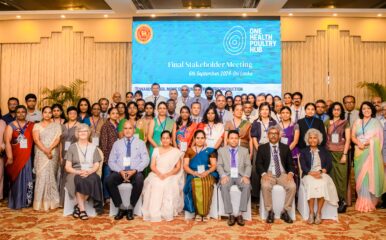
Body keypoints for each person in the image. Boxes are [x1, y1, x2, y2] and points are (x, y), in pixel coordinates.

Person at [107, 121, 150, 220]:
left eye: (130, 128)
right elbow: (111, 161)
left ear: (134, 130)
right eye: (125, 128)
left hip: (135, 172)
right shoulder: (117, 144)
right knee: (109, 180)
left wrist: (135, 170)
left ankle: (131, 207)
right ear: (123, 131)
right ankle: (121, 207)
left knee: (139, 180)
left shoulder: (141, 143)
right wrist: (120, 171)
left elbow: (146, 160)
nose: (127, 130)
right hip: (120, 172)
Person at [256, 126, 296, 224]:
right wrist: (263, 174)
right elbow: (258, 163)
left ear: (279, 135)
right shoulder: (262, 148)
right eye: (271, 133)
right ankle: (270, 211)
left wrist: (290, 173)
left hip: (282, 174)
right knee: (265, 186)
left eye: (275, 133)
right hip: (268, 174)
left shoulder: (285, 148)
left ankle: (285, 211)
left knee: (292, 186)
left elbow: (290, 164)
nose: (273, 135)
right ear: (268, 135)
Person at [142, 130, 184, 222]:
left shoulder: (176, 151)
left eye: (167, 138)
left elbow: (177, 167)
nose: (165, 140)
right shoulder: (156, 150)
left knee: (166, 184)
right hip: (157, 173)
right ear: (161, 139)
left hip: (170, 174)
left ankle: (166, 212)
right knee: (155, 183)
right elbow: (152, 166)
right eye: (163, 138)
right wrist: (159, 174)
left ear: (171, 140)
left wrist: (167, 174)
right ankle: (155, 212)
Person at [351, 101, 385, 212]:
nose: (366, 110)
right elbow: (352, 137)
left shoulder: (376, 122)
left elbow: (379, 140)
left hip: (371, 152)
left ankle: (370, 201)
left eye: (368, 108)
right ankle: (362, 199)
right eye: (364, 108)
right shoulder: (357, 121)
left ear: (372, 110)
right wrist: (358, 143)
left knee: (370, 176)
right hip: (359, 151)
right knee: (359, 177)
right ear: (361, 110)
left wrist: (369, 143)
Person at [65, 124, 104, 220]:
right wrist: (78, 172)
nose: (82, 133)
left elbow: (96, 165)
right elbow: (67, 167)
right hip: (75, 173)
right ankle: (82, 210)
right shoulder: (72, 147)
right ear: (77, 133)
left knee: (95, 179)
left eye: (85, 131)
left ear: (88, 133)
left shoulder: (93, 147)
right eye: (80, 131)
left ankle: (77, 207)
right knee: (80, 180)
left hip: (90, 172)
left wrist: (89, 171)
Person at [300, 129, 339, 225]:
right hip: (309, 174)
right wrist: (311, 173)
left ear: (318, 139)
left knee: (323, 183)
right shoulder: (304, 151)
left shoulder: (324, 151)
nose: (313, 140)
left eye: (315, 138)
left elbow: (329, 164)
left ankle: (319, 212)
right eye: (311, 138)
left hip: (322, 173)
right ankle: (311, 212)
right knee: (311, 184)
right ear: (308, 140)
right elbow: (303, 165)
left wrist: (321, 171)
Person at [217, 130, 251, 226]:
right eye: (231, 138)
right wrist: (223, 176)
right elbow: (219, 165)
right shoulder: (221, 151)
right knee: (223, 186)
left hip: (240, 175)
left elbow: (248, 165)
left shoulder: (244, 151)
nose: (234, 140)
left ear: (238, 139)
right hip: (228, 175)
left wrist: (246, 176)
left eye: (236, 138)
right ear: (227, 140)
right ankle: (230, 214)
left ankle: (240, 214)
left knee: (247, 186)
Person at [184, 130, 218, 221]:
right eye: (198, 138)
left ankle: (205, 212)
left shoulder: (210, 150)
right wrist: (194, 173)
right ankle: (198, 213)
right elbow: (185, 166)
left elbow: (214, 165)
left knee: (207, 183)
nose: (200, 140)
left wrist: (206, 172)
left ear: (205, 139)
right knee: (194, 184)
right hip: (193, 173)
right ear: (194, 139)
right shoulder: (189, 151)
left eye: (202, 138)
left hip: (207, 172)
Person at [4, 105, 34, 209]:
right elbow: (7, 142)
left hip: (28, 158)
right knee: (16, 179)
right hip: (15, 157)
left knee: (27, 179)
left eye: (23, 112)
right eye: (18, 112)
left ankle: (26, 202)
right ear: (16, 114)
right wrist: (10, 157)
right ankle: (16, 202)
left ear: (26, 113)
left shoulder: (31, 125)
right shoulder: (10, 126)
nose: (21, 114)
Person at [32, 106, 62, 211]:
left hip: (53, 153)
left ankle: (51, 203)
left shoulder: (56, 126)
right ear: (42, 114)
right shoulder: (37, 125)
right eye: (45, 112)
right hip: (41, 153)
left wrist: (50, 149)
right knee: (41, 176)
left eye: (50, 112)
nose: (48, 114)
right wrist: (45, 150)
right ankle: (40, 203)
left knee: (51, 176)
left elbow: (58, 139)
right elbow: (36, 139)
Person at [325, 102, 351, 213]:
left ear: (341, 111)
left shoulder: (345, 122)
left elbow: (348, 139)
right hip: (329, 153)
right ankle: (333, 201)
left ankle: (342, 201)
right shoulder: (327, 122)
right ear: (331, 111)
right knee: (331, 177)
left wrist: (345, 154)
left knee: (341, 177)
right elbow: (325, 138)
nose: (336, 111)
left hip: (341, 153)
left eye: (338, 109)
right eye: (334, 109)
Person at [250, 102, 278, 198]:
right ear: (259, 111)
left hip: (271, 147)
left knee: (268, 169)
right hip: (258, 147)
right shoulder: (255, 122)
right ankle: (255, 195)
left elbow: (277, 136)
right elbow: (253, 137)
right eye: (262, 110)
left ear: (269, 111)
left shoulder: (273, 122)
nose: (265, 111)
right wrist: (258, 148)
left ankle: (266, 193)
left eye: (267, 109)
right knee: (255, 170)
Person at [59, 106, 80, 207]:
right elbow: (60, 142)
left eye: (74, 113)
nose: (72, 115)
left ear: (77, 115)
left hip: (74, 154)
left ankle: (73, 202)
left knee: (71, 176)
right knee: (63, 177)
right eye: (70, 113)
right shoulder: (63, 126)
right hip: (63, 153)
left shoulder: (79, 126)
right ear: (67, 114)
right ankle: (63, 201)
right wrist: (60, 156)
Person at [100, 107, 119, 202]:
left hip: (117, 156)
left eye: (116, 113)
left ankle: (112, 195)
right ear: (109, 115)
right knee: (107, 176)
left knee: (113, 177)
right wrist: (105, 157)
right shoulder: (105, 126)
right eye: (113, 113)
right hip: (108, 156)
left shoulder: (118, 125)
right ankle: (106, 196)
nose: (115, 115)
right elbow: (103, 143)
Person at [279, 107, 300, 193]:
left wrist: (286, 151)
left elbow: (295, 141)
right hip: (280, 152)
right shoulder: (276, 125)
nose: (285, 114)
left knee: (293, 174)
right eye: (283, 112)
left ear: (290, 114)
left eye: (287, 112)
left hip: (292, 152)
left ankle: (294, 195)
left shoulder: (295, 125)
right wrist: (278, 136)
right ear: (280, 115)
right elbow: (274, 140)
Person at [343, 95, 359, 206]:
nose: (349, 104)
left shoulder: (359, 114)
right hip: (344, 146)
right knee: (346, 170)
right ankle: (346, 197)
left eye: (351, 102)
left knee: (358, 170)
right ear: (344, 104)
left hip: (358, 145)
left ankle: (359, 196)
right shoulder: (340, 113)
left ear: (354, 103)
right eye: (347, 102)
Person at [0, 111, 6, 201]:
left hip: (0, 151)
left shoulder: (2, 122)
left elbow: (6, 137)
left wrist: (2, 147)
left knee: (0, 175)